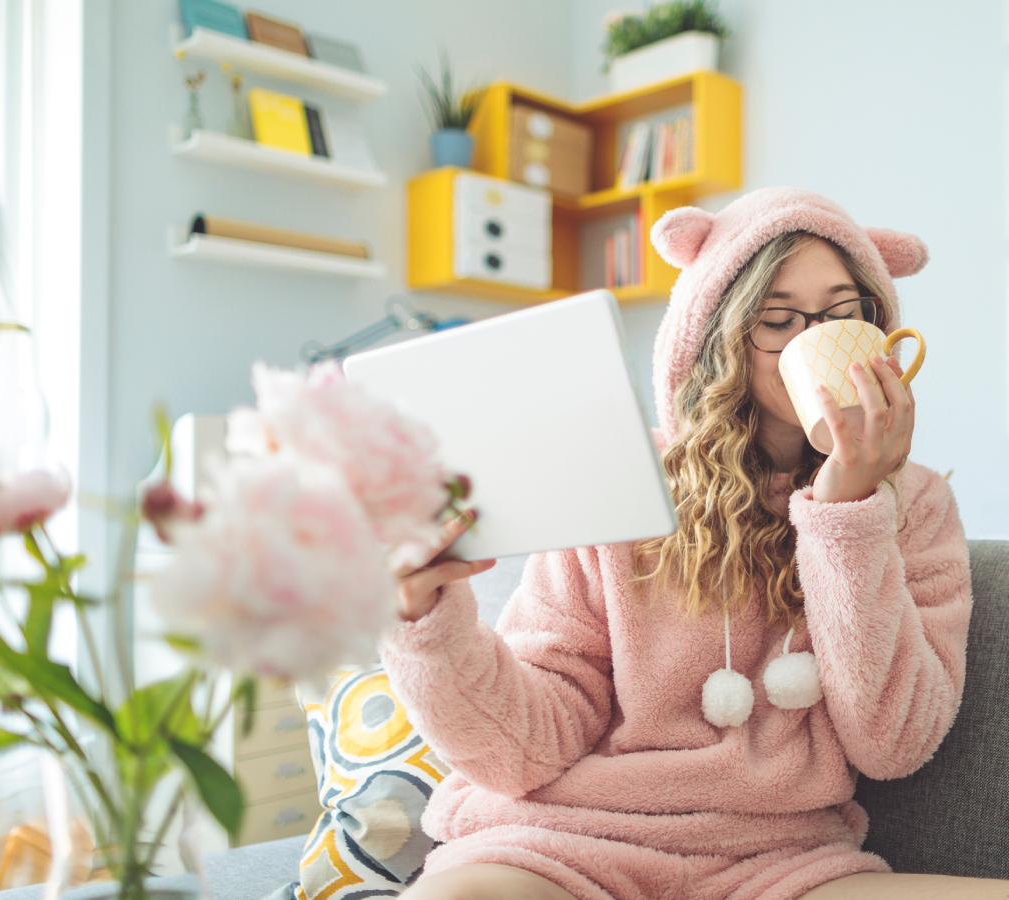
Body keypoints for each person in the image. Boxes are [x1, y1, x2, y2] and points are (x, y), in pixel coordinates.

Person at [382, 188, 1002, 900]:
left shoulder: (914, 503)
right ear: (719, 335)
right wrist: (426, 627)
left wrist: (848, 510)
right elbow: (523, 748)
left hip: (780, 862)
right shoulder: (617, 474)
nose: (816, 339)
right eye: (778, 318)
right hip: (565, 844)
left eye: (841, 313)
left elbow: (894, 743)